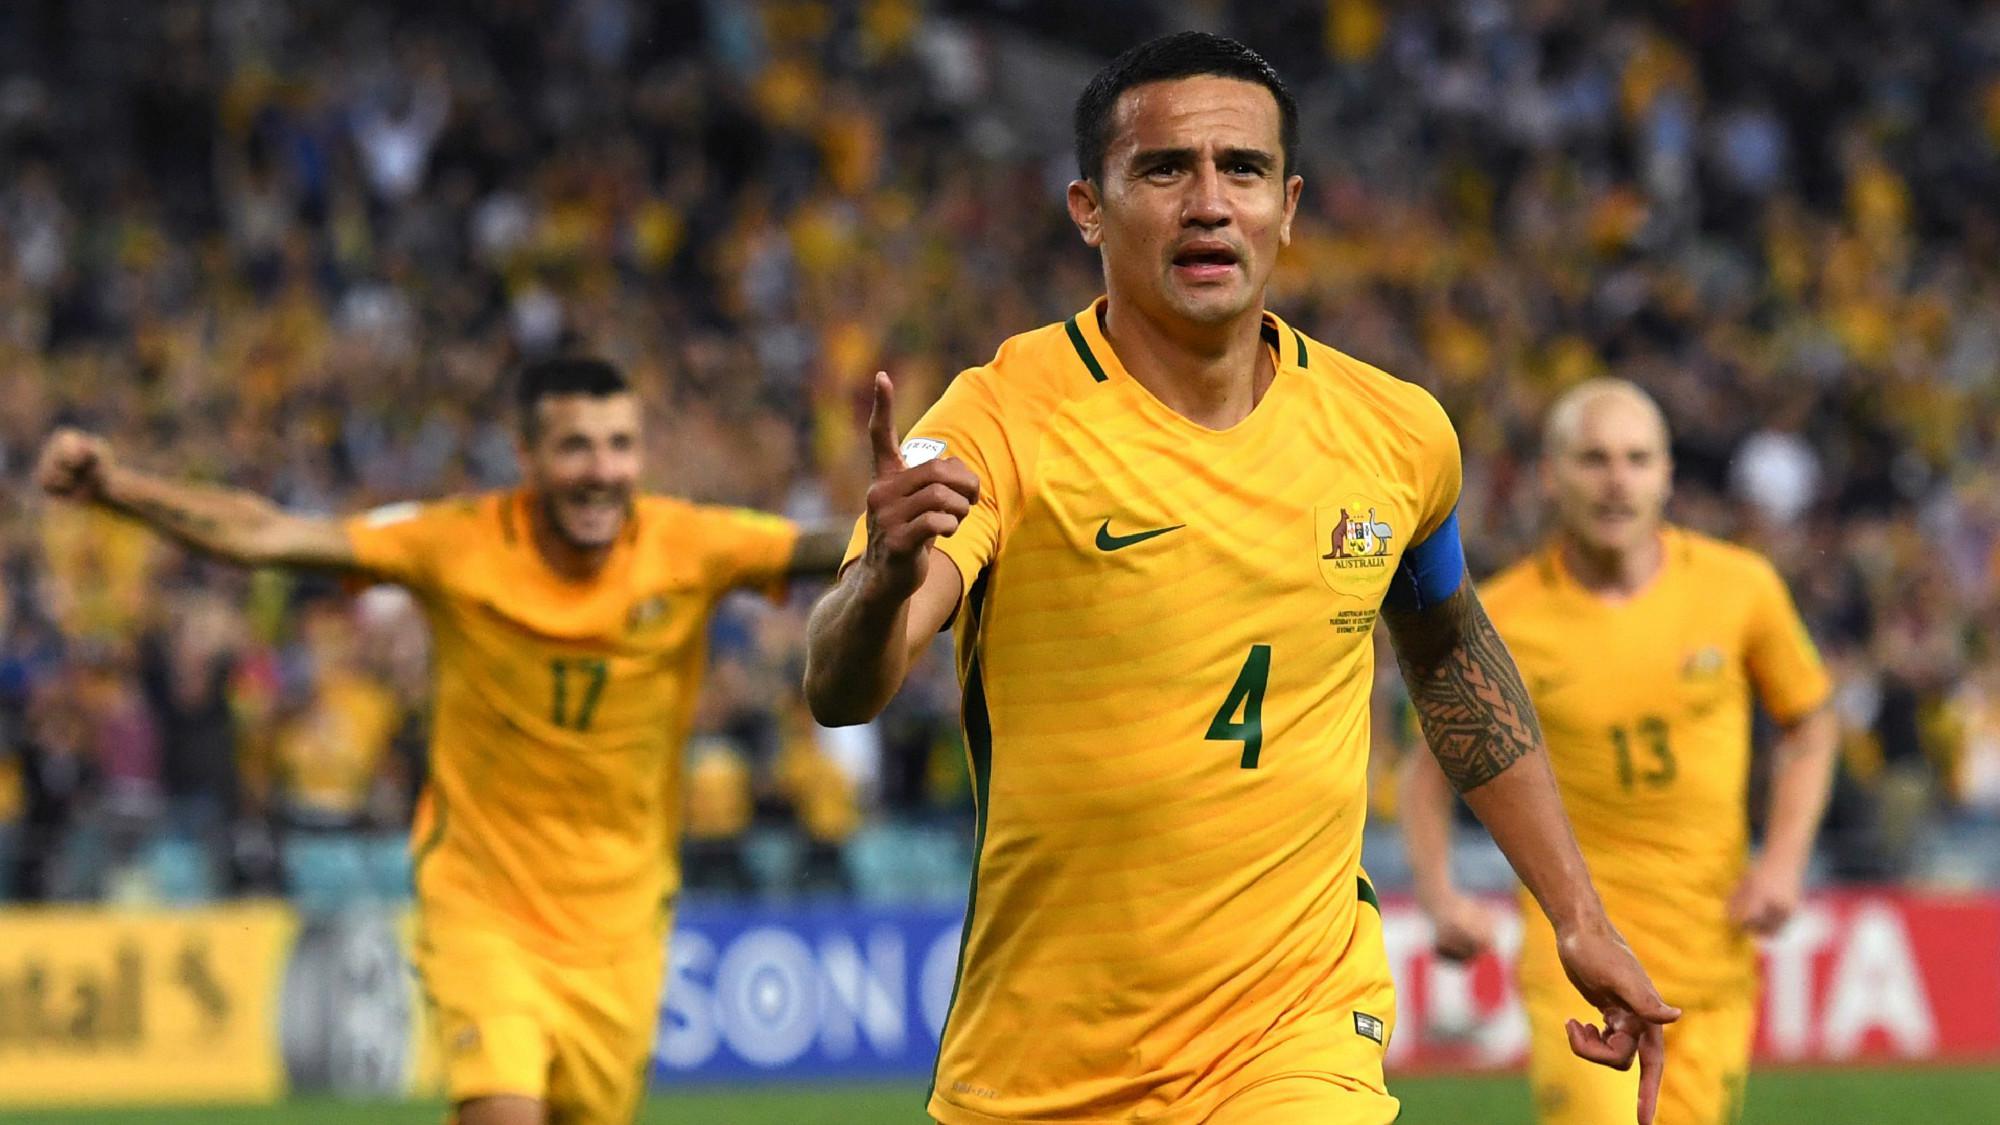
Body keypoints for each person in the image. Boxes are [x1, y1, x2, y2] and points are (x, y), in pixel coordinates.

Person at [803, 32, 1677, 1125]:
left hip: (1296, 1034)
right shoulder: (993, 418)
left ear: (1289, 205)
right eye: (1164, 170)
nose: (1208, 203)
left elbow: (1450, 656)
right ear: (1088, 206)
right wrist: (881, 582)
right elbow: (843, 687)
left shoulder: (1395, 433)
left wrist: (1575, 913)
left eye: (1243, 170)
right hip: (1040, 1062)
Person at [35, 356, 846, 1125]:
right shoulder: (456, 542)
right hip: (484, 906)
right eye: (575, 446)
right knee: (503, 1107)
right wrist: (118, 487)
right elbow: (272, 534)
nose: (602, 469)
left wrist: (937, 510)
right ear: (527, 454)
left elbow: (818, 546)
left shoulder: (688, 544)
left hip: (622, 929)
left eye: (620, 445)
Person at [1399, 379, 1838, 1125]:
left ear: (1667, 474)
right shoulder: (1501, 615)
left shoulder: (1742, 589)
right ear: (1550, 474)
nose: (1616, 480)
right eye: (1593, 458)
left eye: (1637, 459)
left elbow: (1812, 724)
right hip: (1575, 957)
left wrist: (1784, 861)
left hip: (1709, 956)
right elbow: (1427, 770)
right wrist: (1440, 896)